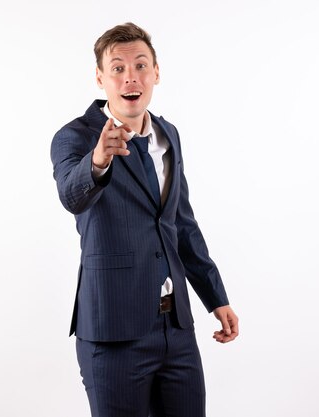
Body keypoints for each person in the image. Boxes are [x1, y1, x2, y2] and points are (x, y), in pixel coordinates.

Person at [50, 22, 239, 417]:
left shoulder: (168, 135)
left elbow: (181, 224)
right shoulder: (76, 137)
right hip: (114, 332)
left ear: (156, 72)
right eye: (117, 68)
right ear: (100, 77)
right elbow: (71, 194)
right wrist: (98, 160)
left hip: (176, 329)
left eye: (140, 65)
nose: (130, 77)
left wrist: (214, 296)